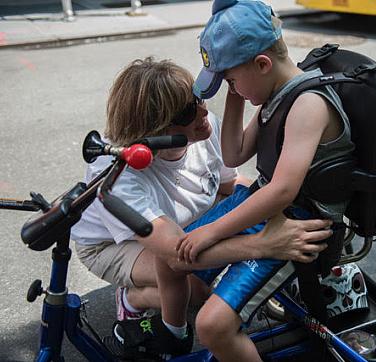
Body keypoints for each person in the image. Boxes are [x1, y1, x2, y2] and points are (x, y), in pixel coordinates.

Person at [70, 57, 332, 357]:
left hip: (175, 222)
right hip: (113, 244)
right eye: (186, 111)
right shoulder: (119, 176)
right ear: (155, 129)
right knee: (196, 289)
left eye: (196, 98)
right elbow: (174, 254)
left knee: (202, 266)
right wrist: (266, 244)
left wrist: (277, 207)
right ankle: (134, 300)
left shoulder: (203, 129)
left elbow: (229, 185)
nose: (203, 111)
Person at [175, 0, 354, 360]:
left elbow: (283, 190)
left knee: (212, 325)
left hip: (300, 225)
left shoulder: (308, 105)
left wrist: (213, 230)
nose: (234, 88)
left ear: (262, 64)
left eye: (232, 80)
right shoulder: (276, 95)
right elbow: (234, 154)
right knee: (183, 257)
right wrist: (235, 94)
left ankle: (229, 327)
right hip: (269, 204)